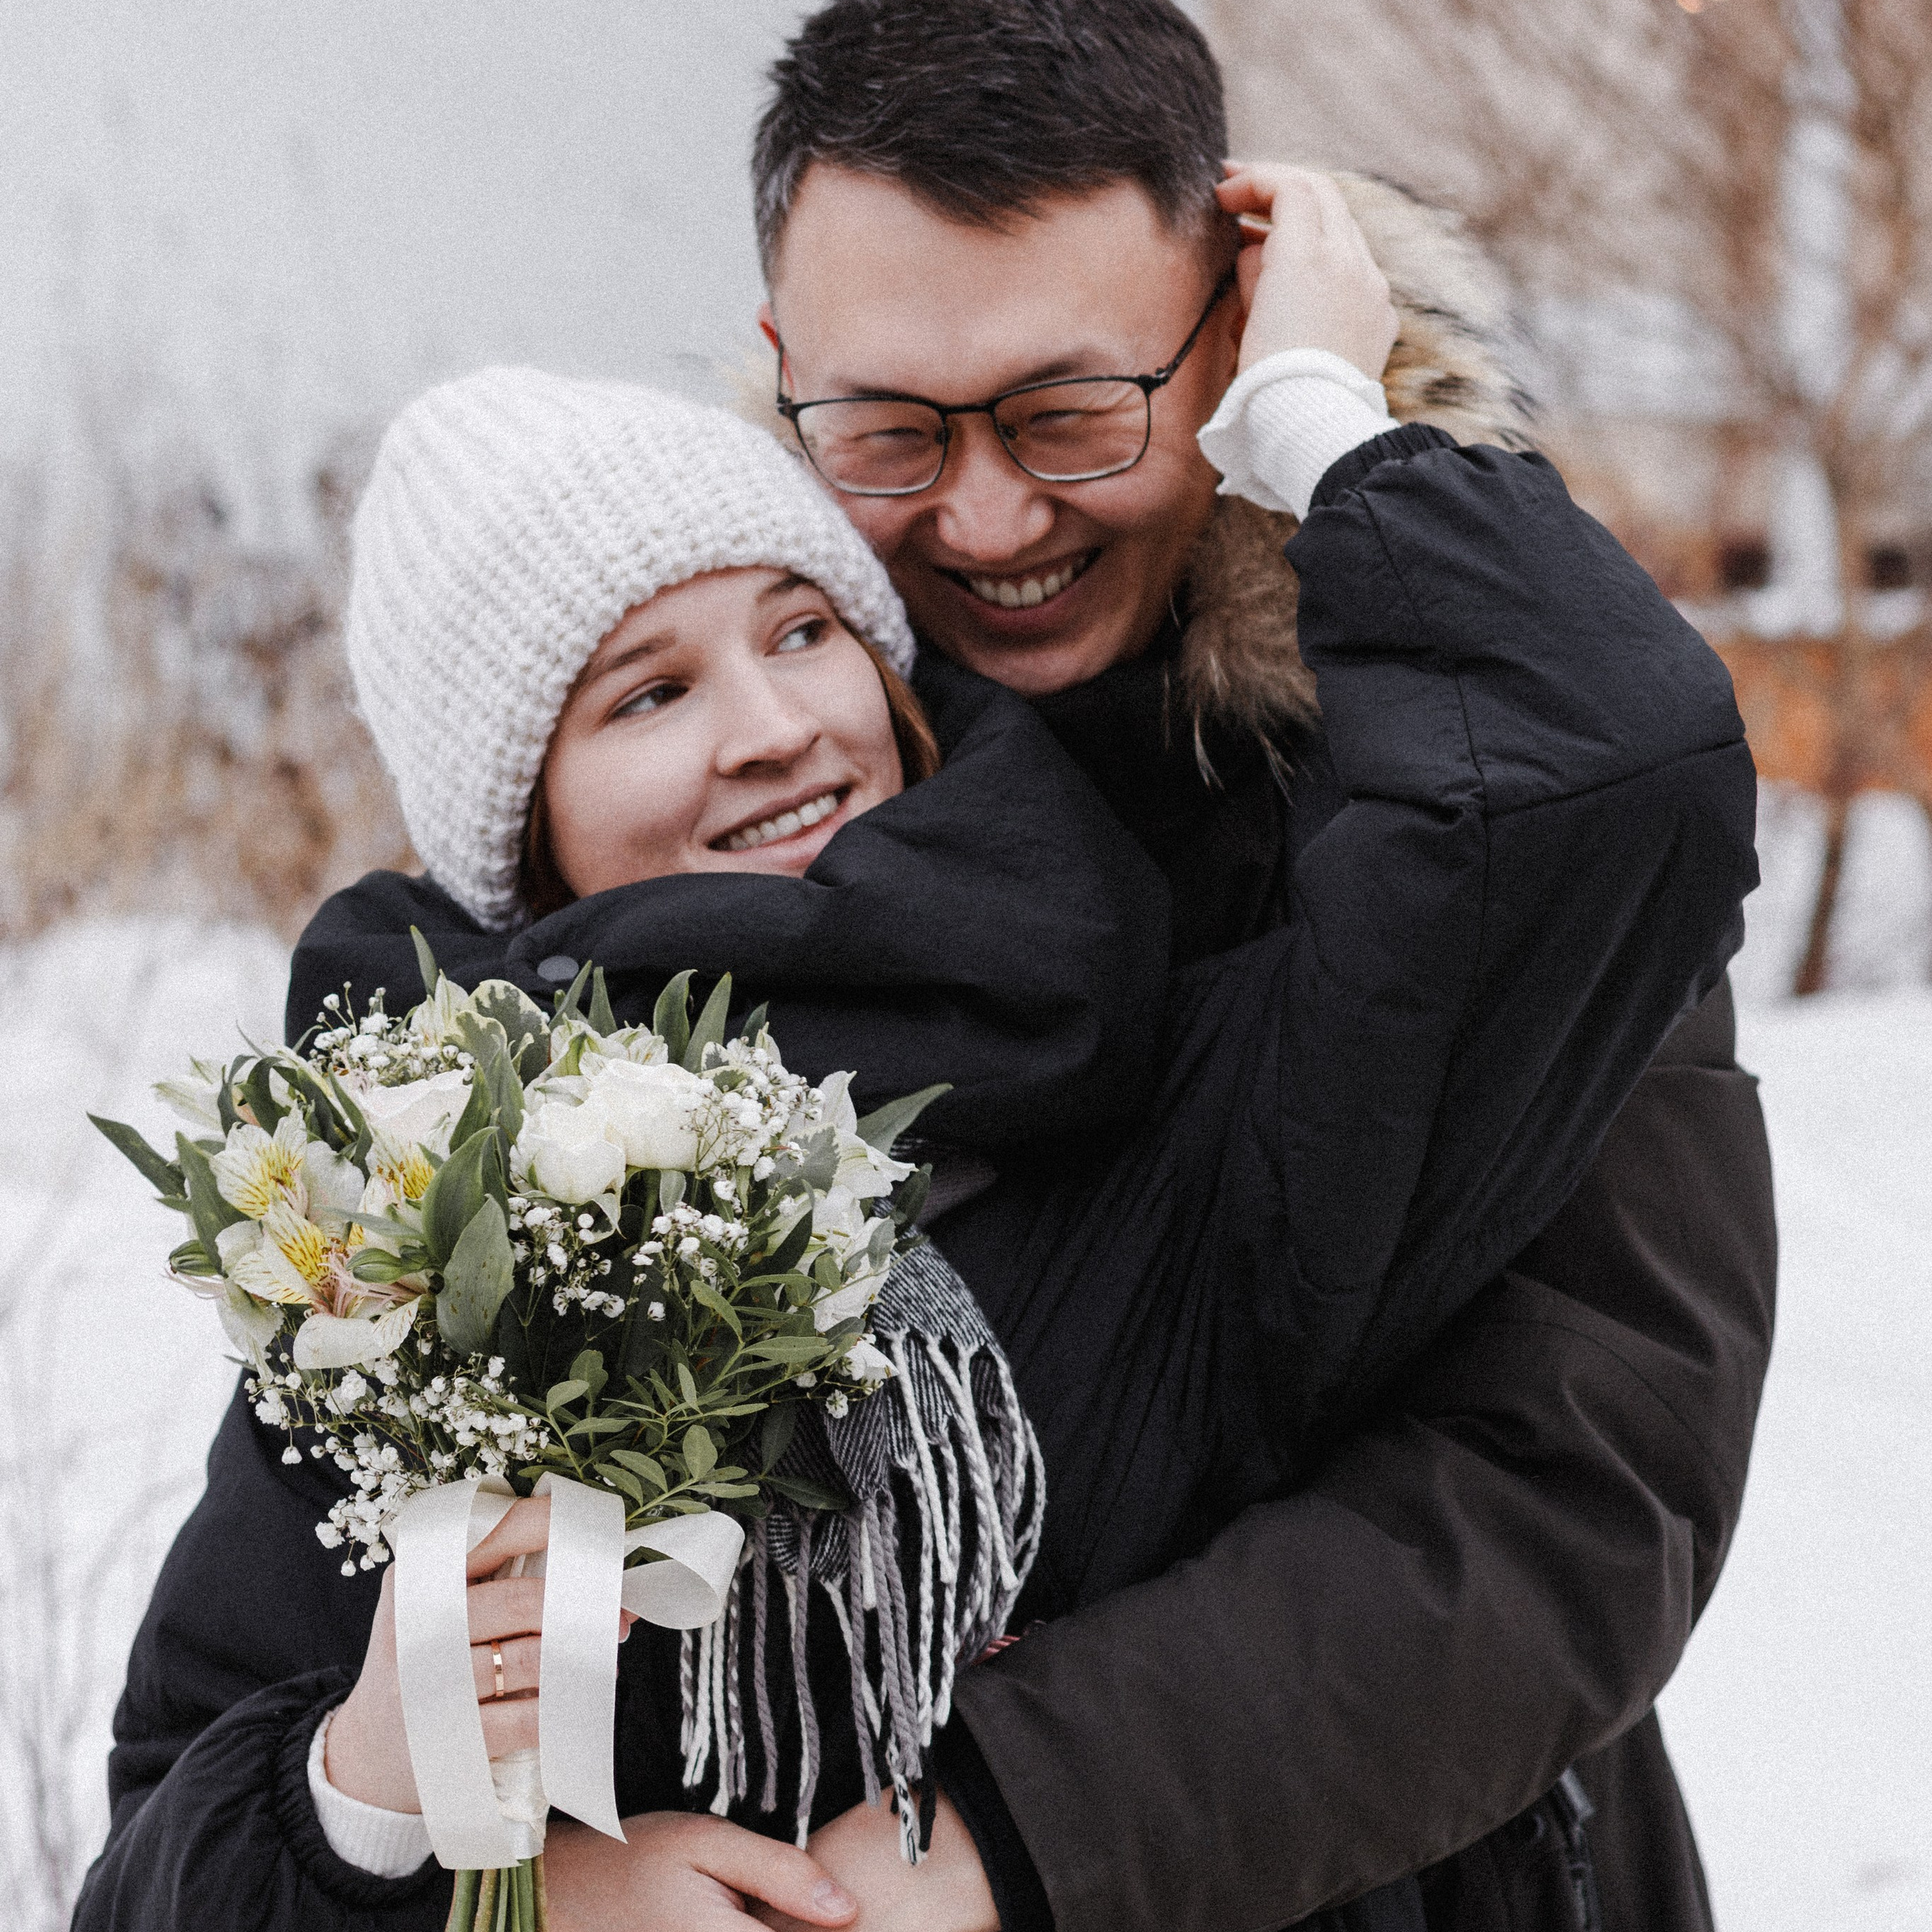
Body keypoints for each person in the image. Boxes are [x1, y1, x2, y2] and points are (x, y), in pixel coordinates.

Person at [77, 321, 1750, 1932]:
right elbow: (166, 1841)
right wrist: (409, 1821)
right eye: (647, 695)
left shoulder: (1180, 1066)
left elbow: (1608, 778)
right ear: (527, 828)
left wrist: (1319, 398)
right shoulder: (426, 1247)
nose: (775, 724)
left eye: (805, 630)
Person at [717, 5, 1777, 1930]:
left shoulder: (1473, 768)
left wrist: (1005, 1828)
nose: (984, 518)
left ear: (1230, 318)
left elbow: (1569, 1492)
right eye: (890, 427)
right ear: (784, 370)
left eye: (1065, 414)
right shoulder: (724, 762)